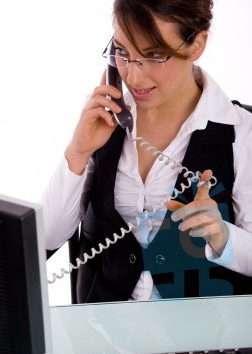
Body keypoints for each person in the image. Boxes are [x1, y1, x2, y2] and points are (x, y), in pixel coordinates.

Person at [42, 0, 252, 303]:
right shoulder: (105, 118)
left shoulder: (240, 132)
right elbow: (46, 239)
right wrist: (78, 152)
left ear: (197, 45)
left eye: (154, 56)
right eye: (123, 52)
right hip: (102, 336)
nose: (134, 77)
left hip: (203, 339)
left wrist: (223, 236)